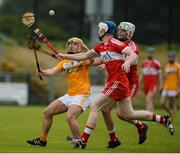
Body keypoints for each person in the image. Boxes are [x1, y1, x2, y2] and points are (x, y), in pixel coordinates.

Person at [57, 21, 174, 149]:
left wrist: (128, 63)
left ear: (105, 30)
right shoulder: (102, 46)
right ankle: (163, 120)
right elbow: (85, 56)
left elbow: (133, 54)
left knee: (95, 105)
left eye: (100, 28)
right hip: (118, 82)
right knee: (128, 114)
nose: (98, 30)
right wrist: (63, 55)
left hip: (118, 81)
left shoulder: (115, 43)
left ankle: (83, 141)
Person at [26, 37, 92, 146]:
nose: (71, 45)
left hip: (82, 95)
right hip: (70, 95)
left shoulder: (83, 59)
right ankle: (42, 139)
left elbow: (92, 59)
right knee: (47, 112)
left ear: (80, 47)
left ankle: (80, 141)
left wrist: (86, 49)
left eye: (75, 44)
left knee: (70, 117)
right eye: (69, 43)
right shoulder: (64, 62)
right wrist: (42, 71)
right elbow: (52, 72)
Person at [95, 22, 148, 148]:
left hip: (129, 83)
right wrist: (104, 63)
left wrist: (125, 63)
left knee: (122, 113)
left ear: (129, 33)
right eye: (119, 30)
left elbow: (129, 58)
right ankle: (114, 139)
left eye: (123, 31)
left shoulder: (132, 46)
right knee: (105, 109)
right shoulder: (117, 43)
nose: (120, 32)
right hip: (118, 80)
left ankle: (150, 122)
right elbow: (111, 56)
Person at [139, 47, 162, 112]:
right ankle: (152, 116)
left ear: (153, 54)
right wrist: (139, 83)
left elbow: (160, 76)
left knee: (148, 99)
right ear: (147, 53)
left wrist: (160, 85)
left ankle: (148, 115)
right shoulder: (144, 63)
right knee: (149, 100)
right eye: (149, 52)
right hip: (146, 85)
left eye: (151, 53)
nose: (150, 54)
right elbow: (141, 75)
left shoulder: (156, 63)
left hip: (152, 85)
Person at [160, 51, 180, 120]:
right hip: (166, 87)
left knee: (172, 103)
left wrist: (178, 89)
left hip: (174, 88)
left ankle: (173, 117)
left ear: (174, 58)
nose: (171, 58)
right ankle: (170, 113)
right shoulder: (167, 66)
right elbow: (165, 77)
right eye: (170, 57)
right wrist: (162, 86)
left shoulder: (177, 66)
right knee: (162, 103)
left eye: (172, 57)